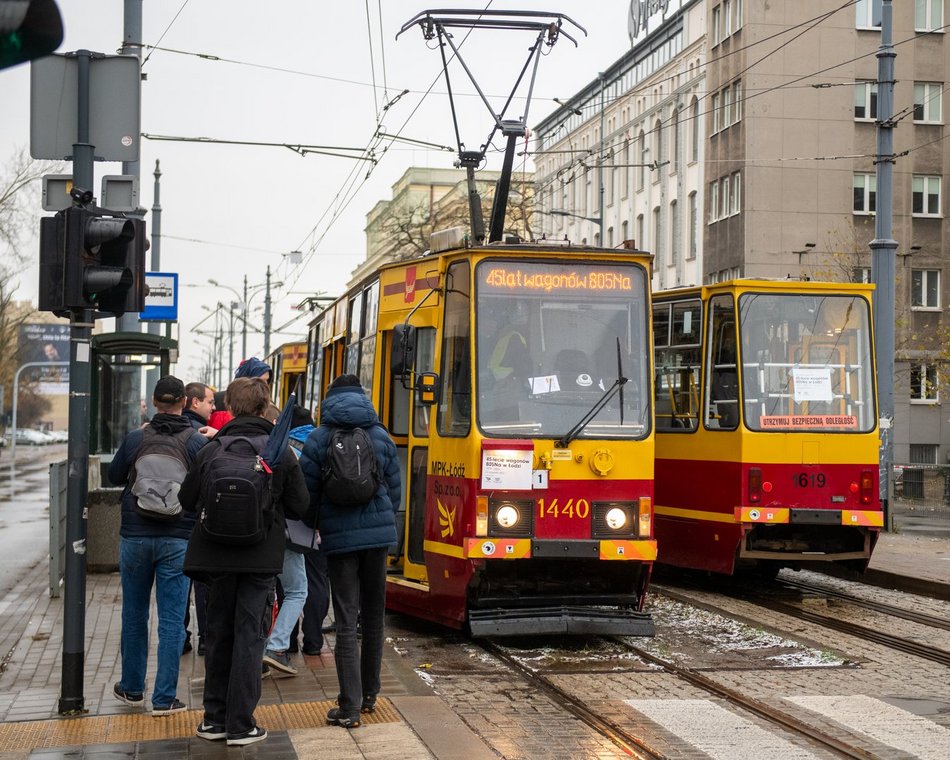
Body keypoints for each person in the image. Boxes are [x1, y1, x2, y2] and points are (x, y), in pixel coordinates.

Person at [180, 377, 310, 747]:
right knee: (251, 637)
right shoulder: (278, 451)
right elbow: (301, 506)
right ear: (262, 406)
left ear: (231, 407)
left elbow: (187, 500)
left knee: (219, 634)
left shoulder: (212, 449)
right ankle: (241, 724)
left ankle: (213, 719)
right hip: (259, 560)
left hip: (216, 557)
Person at [299, 374, 400, 729]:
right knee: (373, 616)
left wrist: (317, 524)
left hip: (339, 539)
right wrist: (386, 522)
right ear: (362, 396)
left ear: (330, 399)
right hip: (378, 539)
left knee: (345, 619)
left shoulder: (318, 437)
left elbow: (306, 493)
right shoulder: (380, 434)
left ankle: (349, 706)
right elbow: (394, 487)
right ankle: (371, 693)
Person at [108, 376, 207, 716]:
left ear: (154, 401)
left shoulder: (137, 438)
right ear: (184, 401)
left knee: (134, 615)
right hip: (177, 539)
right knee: (171, 620)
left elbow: (114, 476)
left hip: (135, 537)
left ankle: (132, 689)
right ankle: (164, 698)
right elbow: (204, 486)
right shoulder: (195, 442)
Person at [262, 404, 319, 675]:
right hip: (288, 532)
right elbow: (301, 500)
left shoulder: (273, 445)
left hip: (254, 530)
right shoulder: (304, 448)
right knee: (297, 590)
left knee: (261, 592)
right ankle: (275, 647)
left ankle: (257, 649)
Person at [287, 405, 330, 656]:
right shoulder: (321, 444)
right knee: (317, 580)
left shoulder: (284, 446)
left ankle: (289, 641)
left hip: (290, 524)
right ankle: (313, 641)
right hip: (318, 523)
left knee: (288, 584)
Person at [181, 382, 216, 655]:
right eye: (209, 402)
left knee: (180, 586)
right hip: (195, 519)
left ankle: (182, 637)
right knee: (203, 583)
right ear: (194, 403)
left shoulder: (152, 432)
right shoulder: (200, 437)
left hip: (167, 519)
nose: (213, 407)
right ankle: (206, 638)